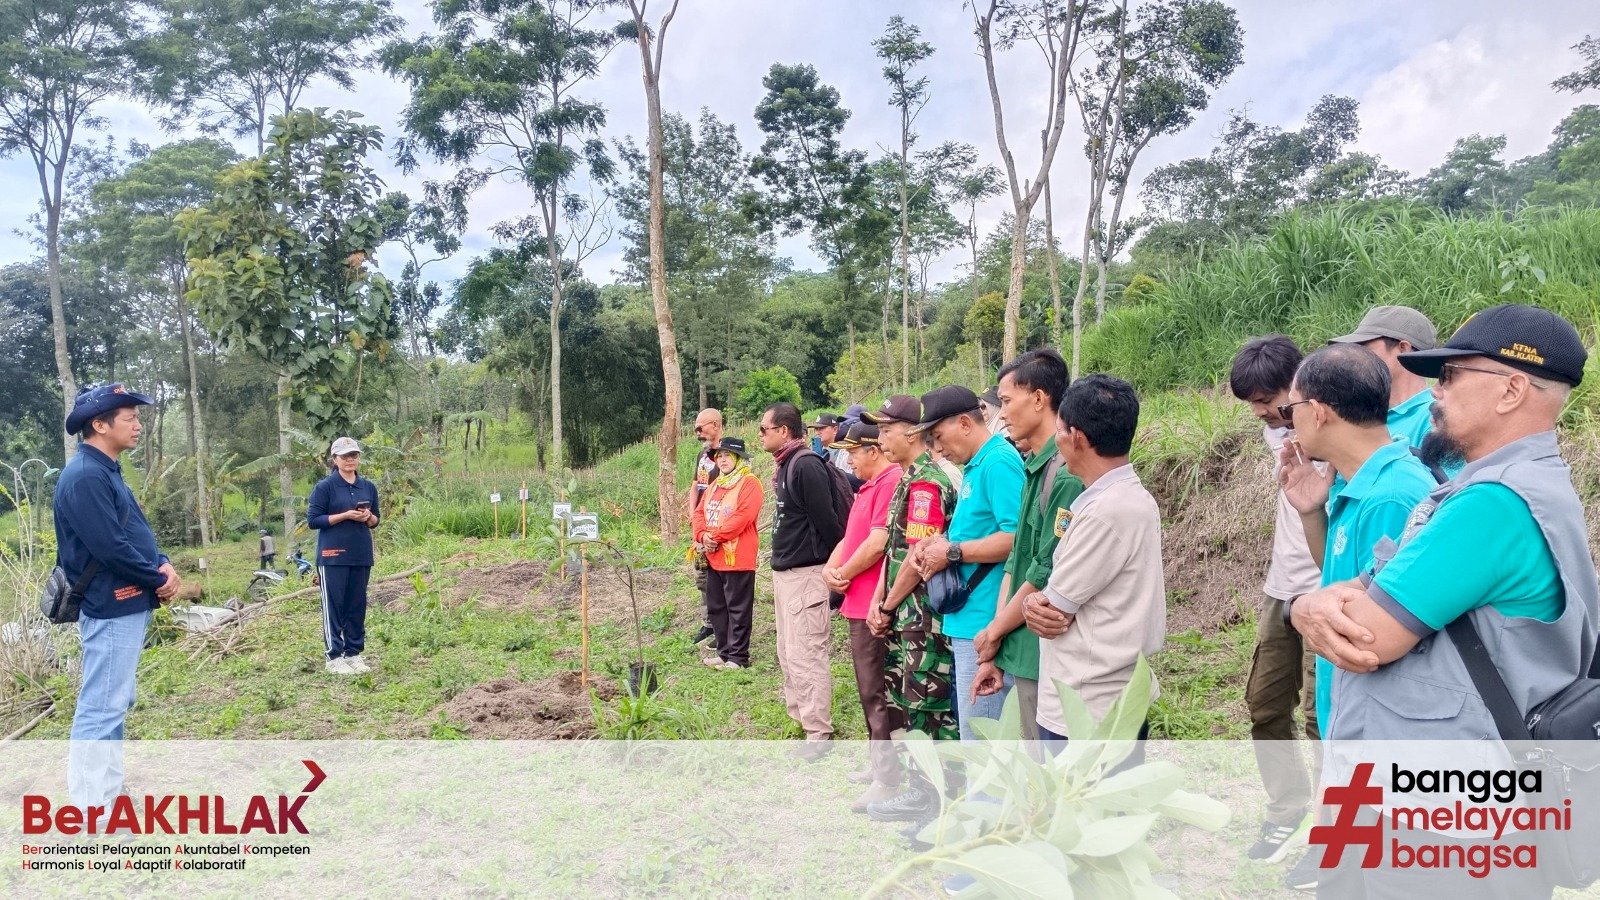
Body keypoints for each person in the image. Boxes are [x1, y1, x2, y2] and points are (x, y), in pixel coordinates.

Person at [1297, 305, 1598, 897]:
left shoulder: (1492, 505)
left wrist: (1309, 607)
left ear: (1512, 390)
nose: (1437, 392)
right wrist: (1332, 601)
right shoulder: (1516, 490)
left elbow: (1368, 636)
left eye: (1454, 375)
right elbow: (1376, 589)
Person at [1275, 344, 1438, 893]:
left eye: (1289, 409)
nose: (1287, 423)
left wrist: (1300, 614)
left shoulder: (1393, 494)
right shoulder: (1356, 484)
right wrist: (1312, 510)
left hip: (1378, 739)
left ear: (1318, 411)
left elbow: (1370, 630)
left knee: (1355, 882)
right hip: (1351, 726)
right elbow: (1339, 580)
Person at [55, 383, 181, 813]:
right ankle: (92, 810)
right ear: (100, 424)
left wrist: (161, 563)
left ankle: (106, 797)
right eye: (131, 418)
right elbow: (109, 547)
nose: (138, 425)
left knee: (113, 702)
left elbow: (132, 529)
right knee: (101, 706)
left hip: (128, 599)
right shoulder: (86, 476)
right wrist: (156, 577)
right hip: (110, 603)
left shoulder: (104, 468)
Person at [1025, 375, 1164, 755]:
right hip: (1104, 694)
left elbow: (1053, 610)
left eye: (1059, 430)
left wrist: (1032, 605)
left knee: (1086, 810)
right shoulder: (1120, 499)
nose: (1057, 441)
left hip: (1088, 705)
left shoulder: (1107, 512)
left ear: (1078, 438)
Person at [1227, 336, 1325, 865]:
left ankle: (1334, 829)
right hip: (1280, 587)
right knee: (1265, 705)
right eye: (1254, 405)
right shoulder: (1276, 431)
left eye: (1270, 399)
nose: (1263, 412)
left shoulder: (1331, 428)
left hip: (1326, 589)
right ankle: (1287, 810)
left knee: (1320, 719)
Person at [971, 350, 1083, 741]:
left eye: (1005, 401)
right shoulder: (1034, 467)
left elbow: (1043, 568)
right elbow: (1015, 561)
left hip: (1044, 654)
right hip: (1021, 648)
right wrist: (997, 639)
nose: (1001, 415)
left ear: (1038, 399)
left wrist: (995, 631)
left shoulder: (1067, 474)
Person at [863, 394, 961, 824]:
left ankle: (936, 799)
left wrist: (886, 604)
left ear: (912, 432)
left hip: (923, 615)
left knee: (928, 705)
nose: (880, 437)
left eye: (886, 429)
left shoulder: (925, 483)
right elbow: (893, 549)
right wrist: (879, 601)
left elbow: (917, 558)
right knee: (908, 697)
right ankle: (923, 792)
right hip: (907, 613)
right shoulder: (907, 478)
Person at [908, 385, 1022, 741]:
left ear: (964, 423)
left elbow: (1017, 539)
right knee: (973, 736)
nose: (938, 449)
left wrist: (952, 552)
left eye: (939, 437)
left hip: (985, 623)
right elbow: (980, 530)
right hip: (967, 620)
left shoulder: (998, 462)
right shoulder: (977, 465)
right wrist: (939, 542)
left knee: (983, 744)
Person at [821, 421, 905, 810]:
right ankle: (879, 766)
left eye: (854, 451)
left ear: (874, 450)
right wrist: (831, 569)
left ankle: (889, 779)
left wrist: (846, 572)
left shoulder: (890, 481)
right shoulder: (869, 485)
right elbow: (849, 538)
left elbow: (877, 544)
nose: (848, 458)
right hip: (856, 599)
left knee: (877, 692)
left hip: (872, 602)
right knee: (867, 689)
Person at [760, 402, 845, 756]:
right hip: (787, 574)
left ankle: (818, 733)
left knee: (806, 653)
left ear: (784, 431)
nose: (760, 434)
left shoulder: (805, 465)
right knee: (788, 653)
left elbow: (828, 524)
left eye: (764, 428)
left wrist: (830, 572)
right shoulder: (787, 464)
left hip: (807, 574)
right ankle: (803, 719)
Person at [307, 436, 381, 675]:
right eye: (345, 456)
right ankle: (334, 656)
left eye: (354, 455)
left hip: (360, 554)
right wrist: (345, 515)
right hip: (332, 555)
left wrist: (367, 517)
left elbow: (376, 520)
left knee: (356, 605)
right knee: (334, 606)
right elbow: (313, 520)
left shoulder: (368, 486)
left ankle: (354, 653)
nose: (351, 460)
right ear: (335, 459)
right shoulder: (325, 487)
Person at [691, 437, 762, 670]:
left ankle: (738, 658)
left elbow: (743, 517)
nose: (722, 459)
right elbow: (699, 512)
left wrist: (715, 537)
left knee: (738, 608)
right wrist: (702, 536)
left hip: (738, 557)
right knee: (717, 607)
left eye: (727, 455)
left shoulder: (750, 483)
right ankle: (723, 653)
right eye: (719, 455)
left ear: (739, 459)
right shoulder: (715, 484)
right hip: (713, 556)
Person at [1328, 305, 1439, 447]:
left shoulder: (1434, 418)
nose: (1354, 356)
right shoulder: (1362, 415)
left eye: (1364, 348)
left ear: (1404, 349)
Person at [687, 408, 725, 646]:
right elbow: (695, 486)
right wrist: (693, 515)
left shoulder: (727, 455)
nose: (698, 432)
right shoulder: (702, 456)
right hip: (700, 523)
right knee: (701, 573)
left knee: (719, 575)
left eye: (701, 428)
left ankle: (722, 624)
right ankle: (708, 622)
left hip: (718, 524)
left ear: (715, 425)